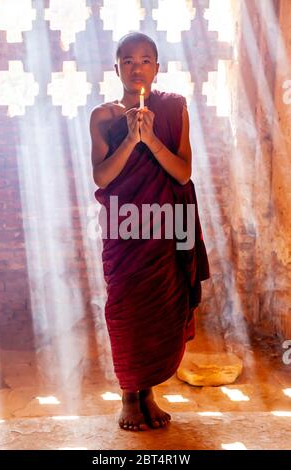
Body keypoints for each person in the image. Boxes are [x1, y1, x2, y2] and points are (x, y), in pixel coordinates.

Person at [89, 32, 210, 431]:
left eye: (145, 60)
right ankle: (128, 394)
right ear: (117, 68)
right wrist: (130, 138)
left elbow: (182, 171)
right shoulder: (104, 116)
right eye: (127, 60)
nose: (136, 67)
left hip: (166, 228)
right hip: (124, 229)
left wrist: (152, 138)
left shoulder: (174, 109)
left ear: (157, 67)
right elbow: (103, 178)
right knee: (126, 309)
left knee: (161, 308)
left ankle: (149, 393)